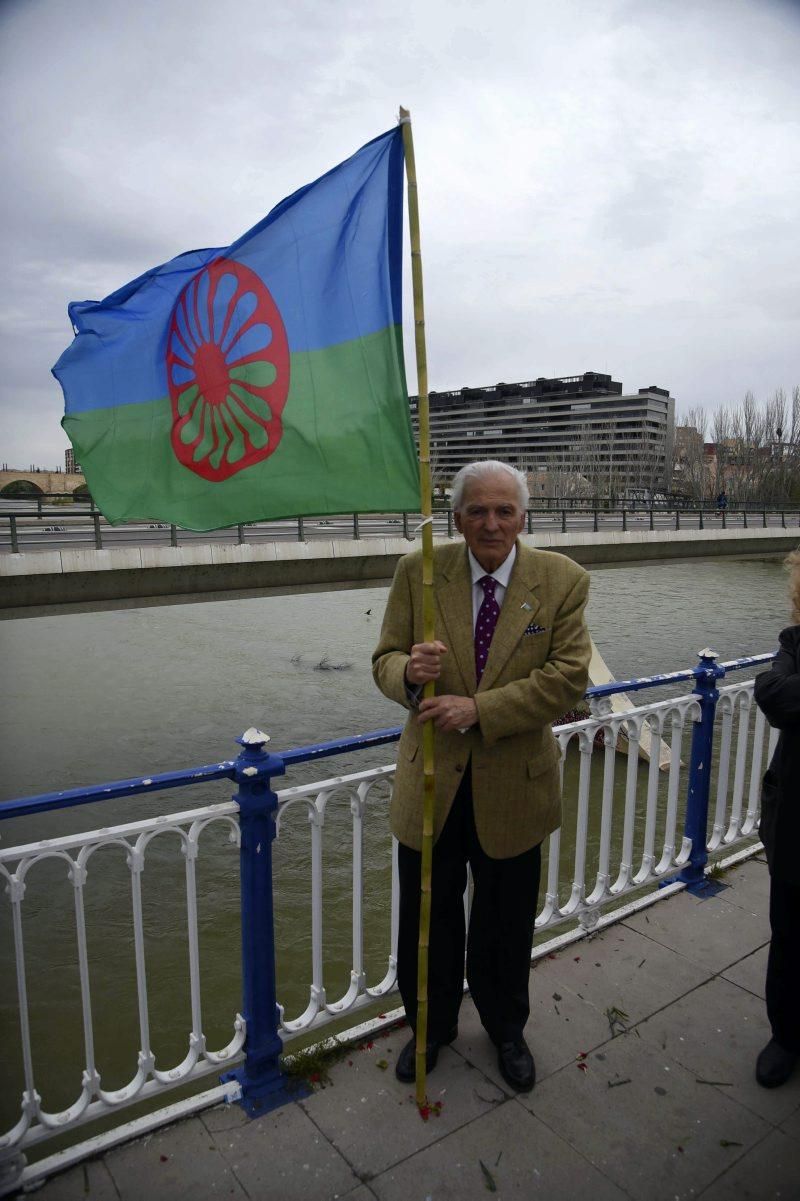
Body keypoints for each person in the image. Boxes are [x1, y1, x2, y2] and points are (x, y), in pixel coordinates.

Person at [372, 460, 591, 1092]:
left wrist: (480, 709)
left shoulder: (562, 580)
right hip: (432, 784)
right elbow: (383, 659)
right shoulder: (418, 571)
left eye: (504, 511)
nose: (491, 524)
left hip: (514, 786)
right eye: (477, 511)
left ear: (525, 517)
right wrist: (409, 675)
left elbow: (567, 677)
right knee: (428, 920)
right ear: (456, 517)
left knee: (505, 921)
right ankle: (430, 1028)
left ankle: (505, 1029)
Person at [752, 551, 800, 1088]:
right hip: (794, 821)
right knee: (788, 934)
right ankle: (785, 1035)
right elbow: (773, 696)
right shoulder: (794, 643)